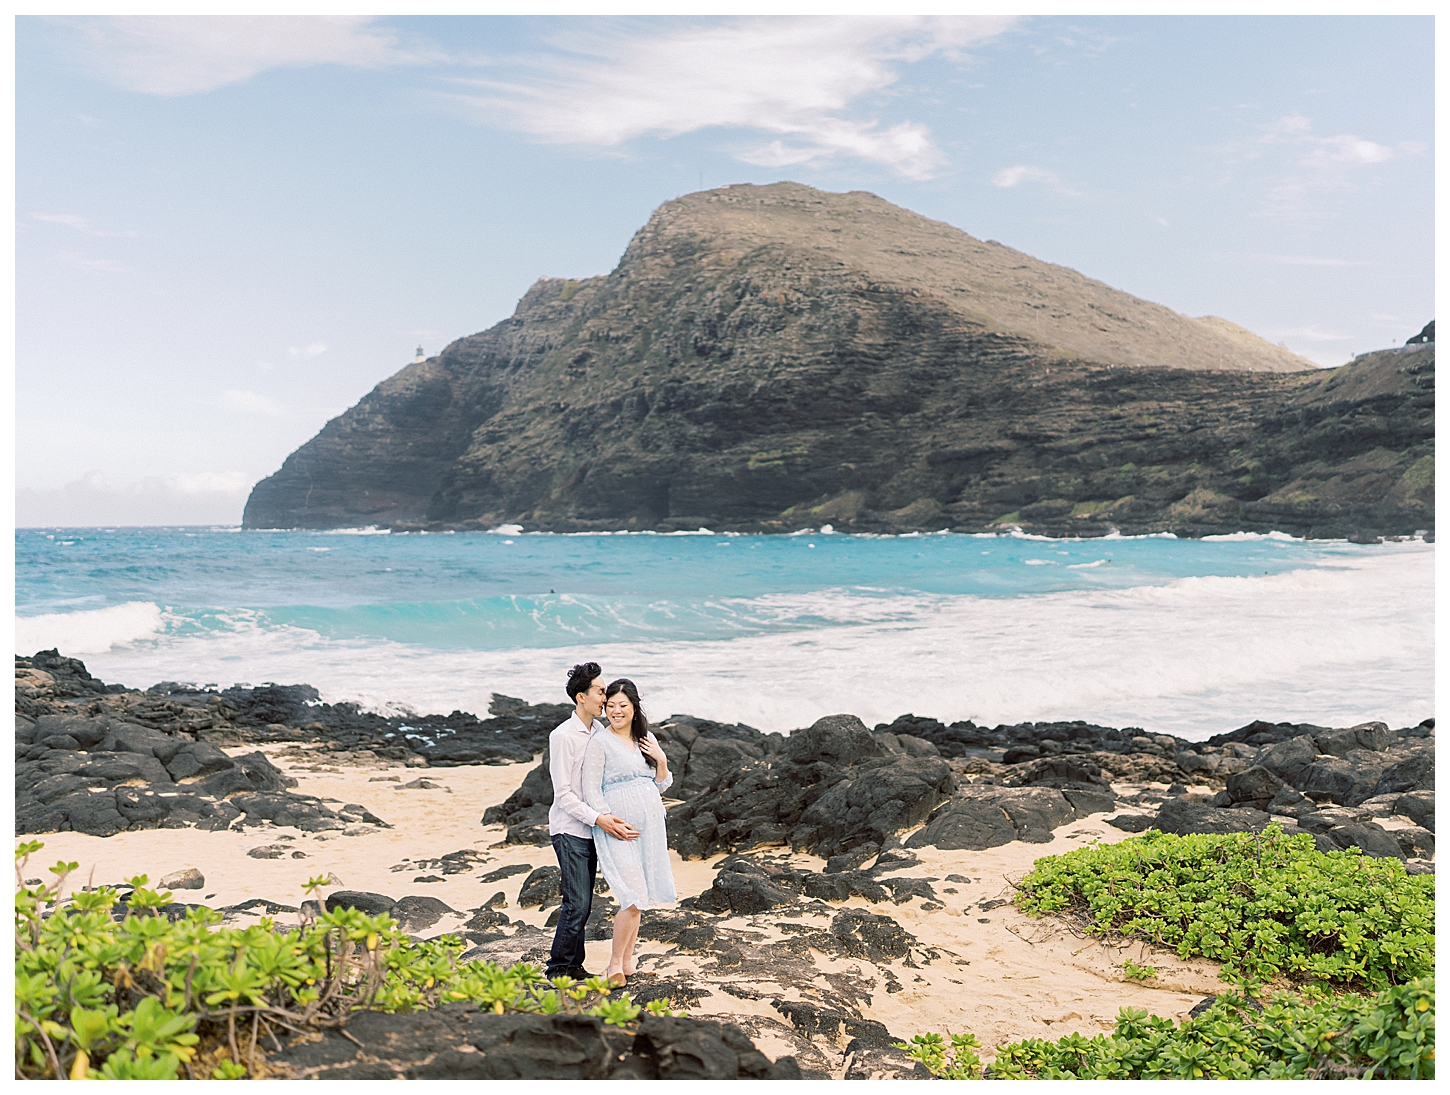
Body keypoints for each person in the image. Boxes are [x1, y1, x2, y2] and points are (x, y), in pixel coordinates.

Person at [545, 662, 639, 982]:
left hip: (593, 830)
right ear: (581, 697)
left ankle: (574, 966)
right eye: (600, 691)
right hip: (569, 829)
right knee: (577, 902)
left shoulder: (599, 731)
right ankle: (558, 968)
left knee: (583, 905)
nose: (605, 696)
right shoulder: (563, 736)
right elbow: (564, 795)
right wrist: (599, 818)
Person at [581, 678, 678, 987]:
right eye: (610, 706)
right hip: (619, 828)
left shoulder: (645, 738)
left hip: (651, 825)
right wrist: (608, 820)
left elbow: (661, 784)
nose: (616, 711)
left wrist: (661, 760)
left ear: (635, 708)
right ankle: (613, 965)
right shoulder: (600, 742)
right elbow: (591, 789)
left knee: (641, 897)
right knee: (632, 897)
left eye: (622, 705)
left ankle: (627, 961)